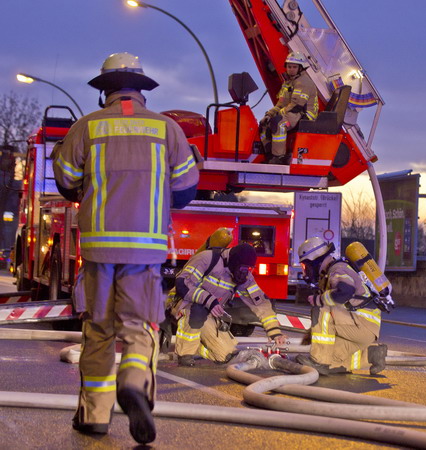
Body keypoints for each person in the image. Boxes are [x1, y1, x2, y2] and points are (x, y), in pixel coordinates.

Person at [52, 52, 199, 445]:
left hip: (99, 251)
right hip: (146, 252)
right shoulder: (167, 129)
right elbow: (186, 189)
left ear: (106, 92)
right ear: (142, 90)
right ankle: (134, 383)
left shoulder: (87, 127)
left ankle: (94, 417)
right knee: (140, 328)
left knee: (98, 331)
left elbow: (65, 180)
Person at [170, 243, 287, 366]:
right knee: (197, 311)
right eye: (243, 269)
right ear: (233, 262)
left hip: (209, 314)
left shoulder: (243, 275)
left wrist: (274, 332)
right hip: (183, 305)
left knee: (226, 355)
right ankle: (185, 354)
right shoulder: (206, 259)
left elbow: (260, 304)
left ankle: (197, 347)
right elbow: (182, 285)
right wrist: (209, 300)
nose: (245, 274)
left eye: (249, 269)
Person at [295, 237, 387, 376]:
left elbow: (345, 292)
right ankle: (372, 355)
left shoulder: (338, 269)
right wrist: (311, 334)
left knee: (319, 308)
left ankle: (319, 360)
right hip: (361, 330)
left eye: (305, 266)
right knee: (335, 358)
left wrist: (318, 299)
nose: (305, 270)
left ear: (314, 260)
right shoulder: (331, 272)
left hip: (361, 325)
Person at [259, 51, 318, 165]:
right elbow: (281, 104)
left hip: (304, 114)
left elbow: (297, 105)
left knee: (279, 123)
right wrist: (269, 114)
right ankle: (270, 154)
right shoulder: (288, 82)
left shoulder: (303, 82)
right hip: (291, 112)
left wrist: (278, 114)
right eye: (289, 66)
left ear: (300, 68)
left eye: (294, 67)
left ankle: (279, 157)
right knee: (263, 124)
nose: (291, 69)